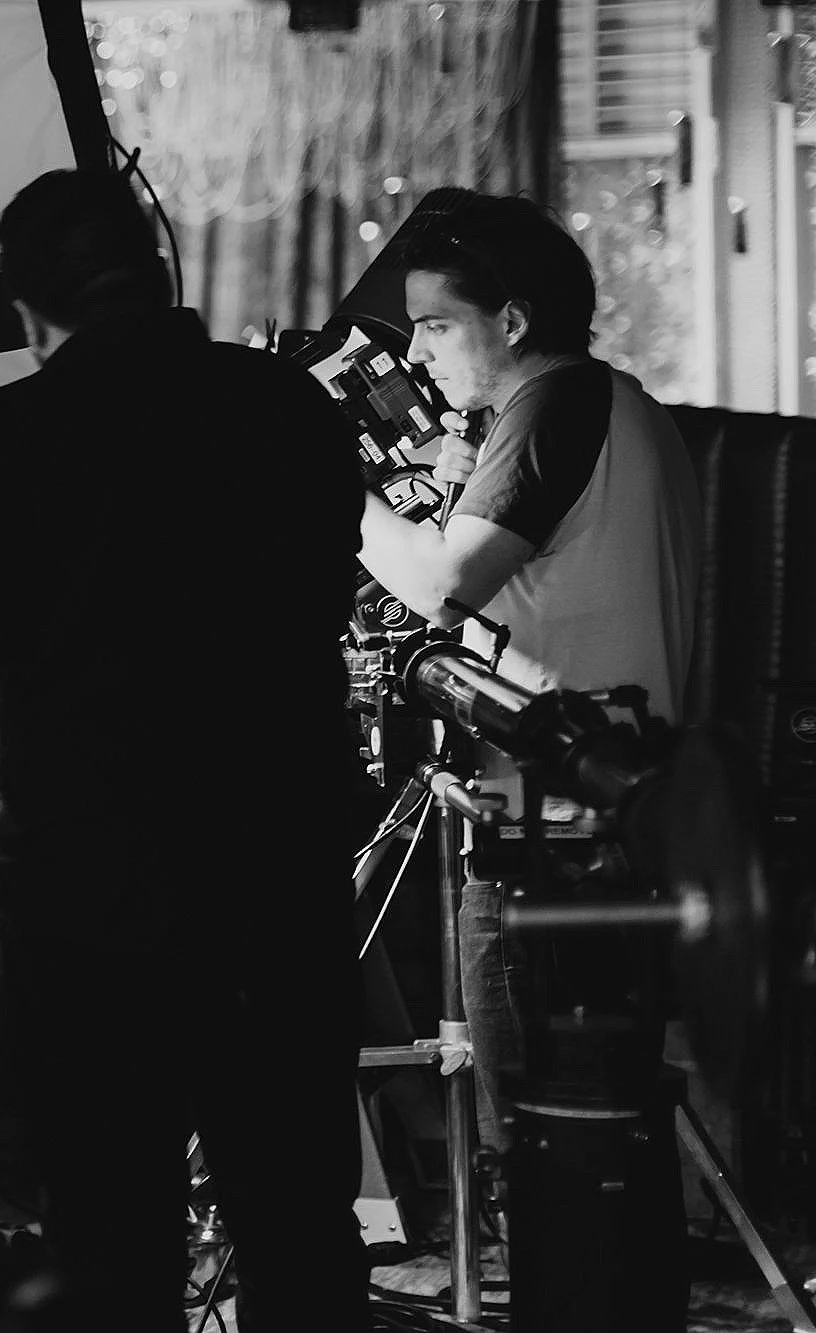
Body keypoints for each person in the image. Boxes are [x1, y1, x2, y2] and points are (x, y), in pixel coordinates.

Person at [0, 167, 369, 1329]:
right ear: (159, 270)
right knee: (299, 1218)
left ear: (27, 310)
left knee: (111, 1235)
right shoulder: (286, 406)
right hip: (275, 874)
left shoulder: (13, 432)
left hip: (94, 896)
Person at [355, 190, 703, 1221]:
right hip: (612, 812)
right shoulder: (609, 400)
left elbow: (438, 586)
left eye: (435, 325)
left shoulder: (552, 403)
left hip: (551, 831)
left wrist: (331, 482)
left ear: (509, 321)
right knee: (600, 1132)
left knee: (546, 1145)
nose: (418, 353)